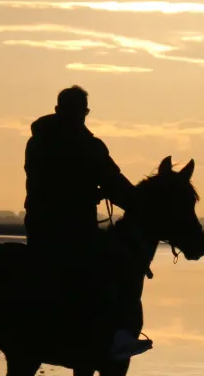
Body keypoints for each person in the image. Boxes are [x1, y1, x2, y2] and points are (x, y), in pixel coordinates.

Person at [23, 85, 152, 361]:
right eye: (77, 112)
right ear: (79, 112)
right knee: (114, 270)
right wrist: (134, 202)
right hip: (74, 230)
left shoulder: (38, 140)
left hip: (38, 227)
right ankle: (115, 336)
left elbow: (41, 183)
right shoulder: (87, 146)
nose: (78, 117)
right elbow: (114, 183)